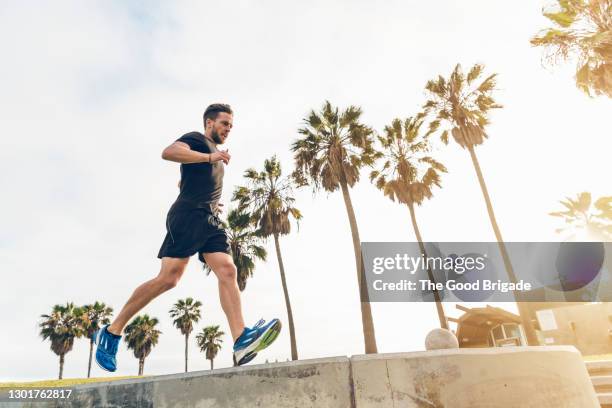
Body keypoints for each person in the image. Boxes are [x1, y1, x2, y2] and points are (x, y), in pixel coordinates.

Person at [93, 103, 281, 372]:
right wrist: (208, 159)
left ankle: (241, 339)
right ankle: (111, 332)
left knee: (228, 270)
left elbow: (187, 181)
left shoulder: (216, 153)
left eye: (231, 125)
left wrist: (212, 200)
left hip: (210, 220)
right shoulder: (197, 139)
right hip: (188, 215)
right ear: (209, 123)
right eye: (224, 123)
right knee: (169, 278)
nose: (228, 129)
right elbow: (169, 152)